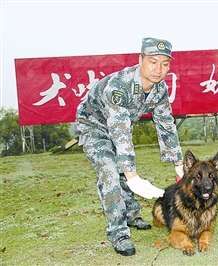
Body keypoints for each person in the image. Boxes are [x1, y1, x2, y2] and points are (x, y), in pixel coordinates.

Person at [74, 37, 184, 256]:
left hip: (119, 126)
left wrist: (179, 166)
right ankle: (118, 232)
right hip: (94, 126)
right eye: (153, 61)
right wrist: (132, 175)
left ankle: (133, 215)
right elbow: (119, 130)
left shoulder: (159, 88)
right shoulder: (119, 86)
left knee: (124, 169)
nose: (158, 69)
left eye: (165, 63)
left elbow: (165, 124)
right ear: (140, 59)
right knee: (111, 172)